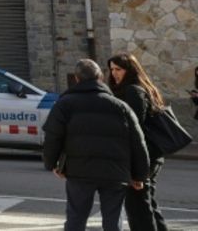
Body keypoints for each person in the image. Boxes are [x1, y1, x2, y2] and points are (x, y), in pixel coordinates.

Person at [44, 59, 149, 231]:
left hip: (79, 171)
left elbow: (53, 137)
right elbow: (138, 142)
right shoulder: (121, 106)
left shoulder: (65, 104)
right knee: (113, 220)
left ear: (77, 79)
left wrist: (52, 164)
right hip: (115, 172)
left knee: (76, 218)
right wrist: (139, 175)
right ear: (100, 77)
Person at [107, 53, 168, 231]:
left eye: (119, 69)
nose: (114, 73)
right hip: (147, 154)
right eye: (111, 69)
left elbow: (135, 130)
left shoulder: (133, 91)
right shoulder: (137, 88)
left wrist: (136, 169)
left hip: (142, 156)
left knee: (138, 208)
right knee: (147, 203)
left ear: (130, 70)